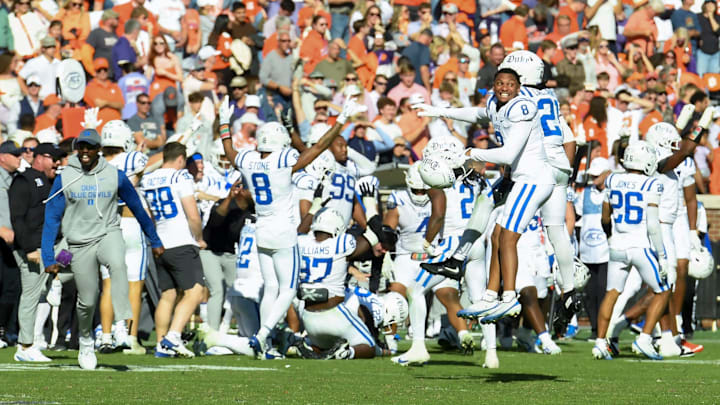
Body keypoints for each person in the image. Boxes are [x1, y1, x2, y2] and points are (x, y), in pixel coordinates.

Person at [219, 95, 368, 358]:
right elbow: (320, 146)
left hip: (260, 230)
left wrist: (223, 123)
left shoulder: (250, 161)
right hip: (283, 231)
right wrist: (341, 120)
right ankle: (262, 336)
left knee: (271, 288)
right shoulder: (282, 160)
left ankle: (264, 348)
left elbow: (230, 152)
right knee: (287, 290)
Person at [41, 128, 164, 370]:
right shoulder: (64, 177)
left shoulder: (115, 175)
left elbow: (137, 208)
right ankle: (85, 338)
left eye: (90, 146)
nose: (85, 151)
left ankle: (121, 324)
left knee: (118, 263)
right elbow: (52, 218)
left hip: (108, 232)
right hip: (76, 240)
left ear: (99, 149)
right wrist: (47, 256)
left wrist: (155, 240)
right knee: (85, 298)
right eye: (81, 146)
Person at [593, 141, 669, 360]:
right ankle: (645, 338)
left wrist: (609, 236)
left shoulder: (613, 179)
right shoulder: (651, 184)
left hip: (617, 243)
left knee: (612, 293)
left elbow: (605, 215)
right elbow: (653, 225)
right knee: (663, 290)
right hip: (640, 245)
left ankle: (600, 342)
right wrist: (662, 255)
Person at [140, 142, 205, 358]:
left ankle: (160, 344)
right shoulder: (181, 177)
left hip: (160, 242)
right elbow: (193, 215)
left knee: (167, 296)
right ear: (181, 159)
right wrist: (199, 237)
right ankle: (173, 336)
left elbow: (149, 214)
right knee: (195, 292)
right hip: (181, 241)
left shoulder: (148, 179)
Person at [10, 143, 66, 362]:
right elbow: (17, 218)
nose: (58, 163)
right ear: (40, 158)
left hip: (51, 247)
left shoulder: (52, 182)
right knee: (31, 294)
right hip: (32, 248)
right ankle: (25, 346)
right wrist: (27, 249)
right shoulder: (23, 181)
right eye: (55, 158)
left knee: (76, 247)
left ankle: (56, 279)